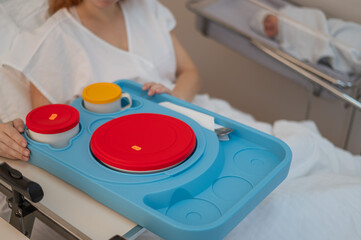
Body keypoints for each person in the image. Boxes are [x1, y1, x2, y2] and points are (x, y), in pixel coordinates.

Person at [0, 0, 201, 161]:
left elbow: (189, 71)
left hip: (189, 116)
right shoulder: (53, 40)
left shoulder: (148, 8)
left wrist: (172, 100)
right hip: (129, 152)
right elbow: (45, 135)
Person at [250, 5, 361, 75]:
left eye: (267, 20)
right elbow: (297, 53)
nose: (269, 25)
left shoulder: (288, 12)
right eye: (265, 28)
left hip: (328, 28)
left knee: (347, 36)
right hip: (325, 45)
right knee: (344, 50)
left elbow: (313, 16)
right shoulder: (284, 43)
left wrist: (320, 27)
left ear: (273, 14)